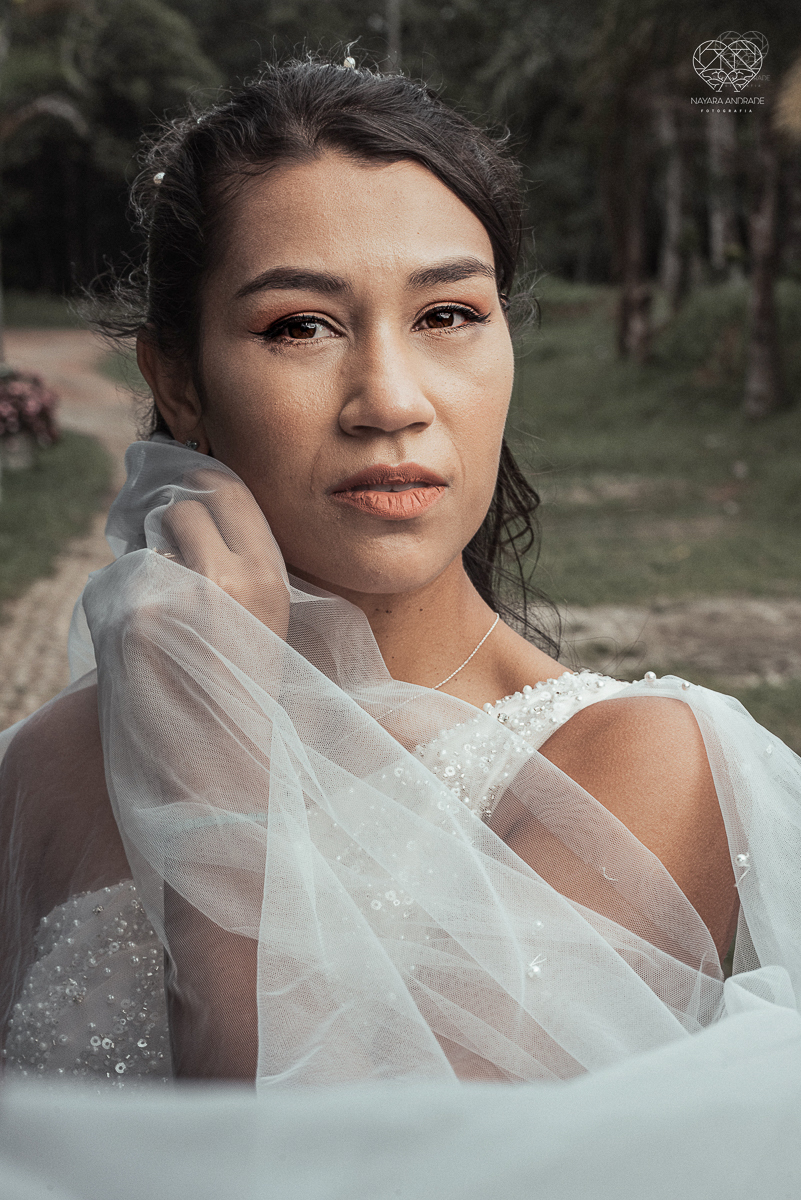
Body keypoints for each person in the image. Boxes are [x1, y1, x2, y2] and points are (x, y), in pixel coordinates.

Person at [0, 59, 799, 1096]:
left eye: (447, 315)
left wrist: (220, 800)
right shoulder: (54, 762)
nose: (389, 399)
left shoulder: (634, 770)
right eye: (300, 325)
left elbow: (364, 1170)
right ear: (180, 384)